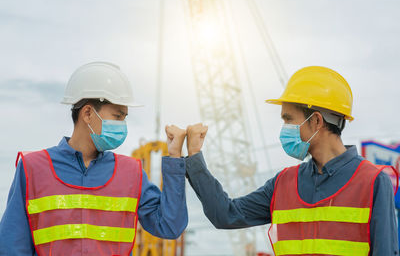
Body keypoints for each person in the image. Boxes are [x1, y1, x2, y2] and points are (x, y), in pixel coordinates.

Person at [184, 66, 399, 255]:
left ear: (316, 121)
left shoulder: (373, 182)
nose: (284, 129)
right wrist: (194, 156)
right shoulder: (283, 183)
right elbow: (225, 214)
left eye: (288, 119)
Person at [0, 62, 188, 256]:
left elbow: (170, 226)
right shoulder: (32, 168)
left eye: (124, 118)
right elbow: (12, 246)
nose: (122, 125)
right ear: (88, 113)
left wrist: (174, 157)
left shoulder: (131, 172)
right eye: (117, 116)